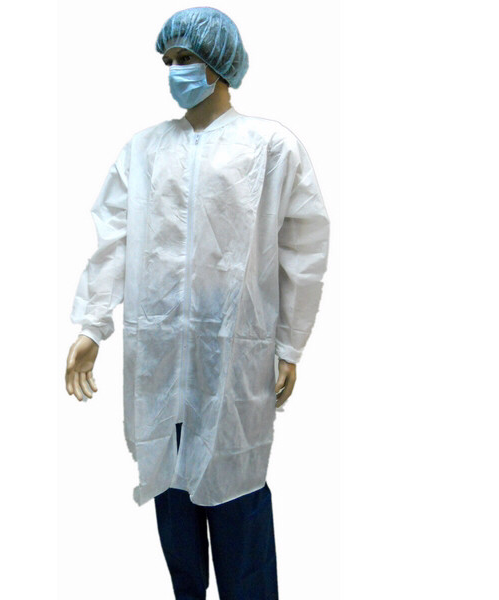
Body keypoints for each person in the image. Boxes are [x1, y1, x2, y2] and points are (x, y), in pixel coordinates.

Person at [65, 7, 330, 599]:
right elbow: (113, 241)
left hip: (232, 359)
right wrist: (92, 324)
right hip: (159, 361)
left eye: (186, 58)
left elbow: (304, 250)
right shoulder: (143, 150)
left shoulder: (271, 147)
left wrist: (290, 345)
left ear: (219, 64)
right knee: (174, 506)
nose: (175, 70)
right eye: (169, 60)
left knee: (237, 498)